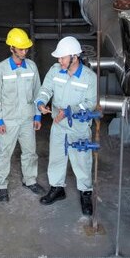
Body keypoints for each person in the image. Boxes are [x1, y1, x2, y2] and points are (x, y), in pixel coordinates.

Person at [35, 36, 98, 215]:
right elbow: (46, 89)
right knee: (56, 157)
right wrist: (41, 102)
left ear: (74, 57)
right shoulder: (56, 70)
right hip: (58, 125)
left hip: (79, 127)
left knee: (82, 161)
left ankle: (86, 192)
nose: (59, 60)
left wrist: (69, 111)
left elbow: (90, 103)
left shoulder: (89, 77)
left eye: (62, 57)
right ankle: (57, 188)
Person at [0, 28, 46, 202]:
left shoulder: (32, 67)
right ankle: (1, 185)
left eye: (26, 48)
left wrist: (37, 116)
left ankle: (30, 180)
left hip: (27, 119)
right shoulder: (0, 70)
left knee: (30, 152)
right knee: (4, 153)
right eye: (21, 49)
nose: (24, 51)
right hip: (8, 120)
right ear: (12, 48)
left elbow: (38, 93)